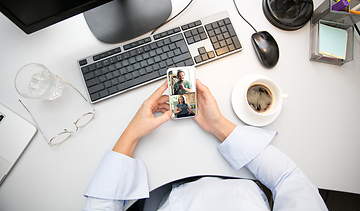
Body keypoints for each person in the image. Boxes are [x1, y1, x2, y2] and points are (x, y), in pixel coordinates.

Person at [83, 80, 328, 211]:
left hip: (162, 199)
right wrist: (218, 126)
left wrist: (132, 133)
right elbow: (289, 179)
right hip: (237, 181)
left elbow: (101, 205)